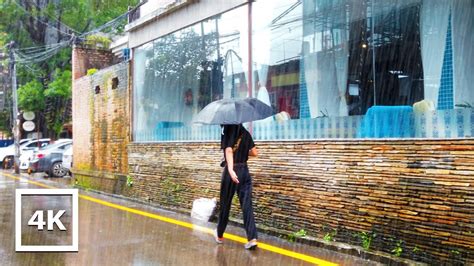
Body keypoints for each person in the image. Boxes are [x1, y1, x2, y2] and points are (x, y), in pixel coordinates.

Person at [214, 124, 258, 250]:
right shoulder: (245, 132)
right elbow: (255, 152)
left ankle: (220, 235)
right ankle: (252, 238)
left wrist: (231, 169)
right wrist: (243, 152)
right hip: (244, 170)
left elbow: (228, 150)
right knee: (247, 206)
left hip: (231, 172)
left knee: (225, 205)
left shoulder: (226, 129)